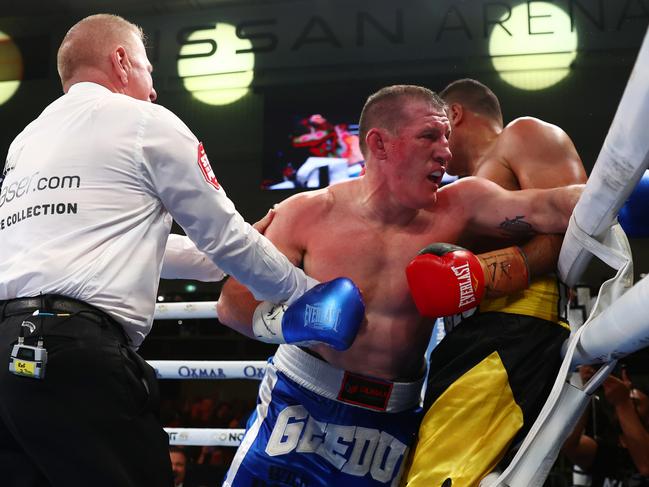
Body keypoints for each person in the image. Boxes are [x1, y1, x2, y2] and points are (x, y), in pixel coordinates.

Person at [0, 14, 362, 487]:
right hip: (77, 356)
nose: (153, 90)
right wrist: (306, 292)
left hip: (10, 358)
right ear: (122, 61)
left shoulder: (26, 142)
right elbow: (224, 236)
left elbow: (113, 242)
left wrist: (228, 258)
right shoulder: (143, 121)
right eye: (149, 70)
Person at [216, 84, 583, 486]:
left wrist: (622, 189)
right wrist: (291, 323)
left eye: (446, 136)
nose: (445, 150)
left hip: (391, 417)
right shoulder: (306, 213)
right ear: (380, 144)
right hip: (299, 402)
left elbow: (548, 207)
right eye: (429, 136)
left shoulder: (461, 205)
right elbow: (231, 303)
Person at [403, 78, 588, 486]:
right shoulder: (460, 194)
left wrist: (487, 273)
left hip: (513, 332)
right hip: (473, 336)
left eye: (437, 131)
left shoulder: (523, 135)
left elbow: (577, 224)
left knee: (436, 477)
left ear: (454, 114)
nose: (436, 148)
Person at [562, 359, 649, 486]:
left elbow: (646, 467)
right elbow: (569, 446)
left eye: (635, 403)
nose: (630, 399)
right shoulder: (611, 452)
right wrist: (586, 390)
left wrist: (623, 403)